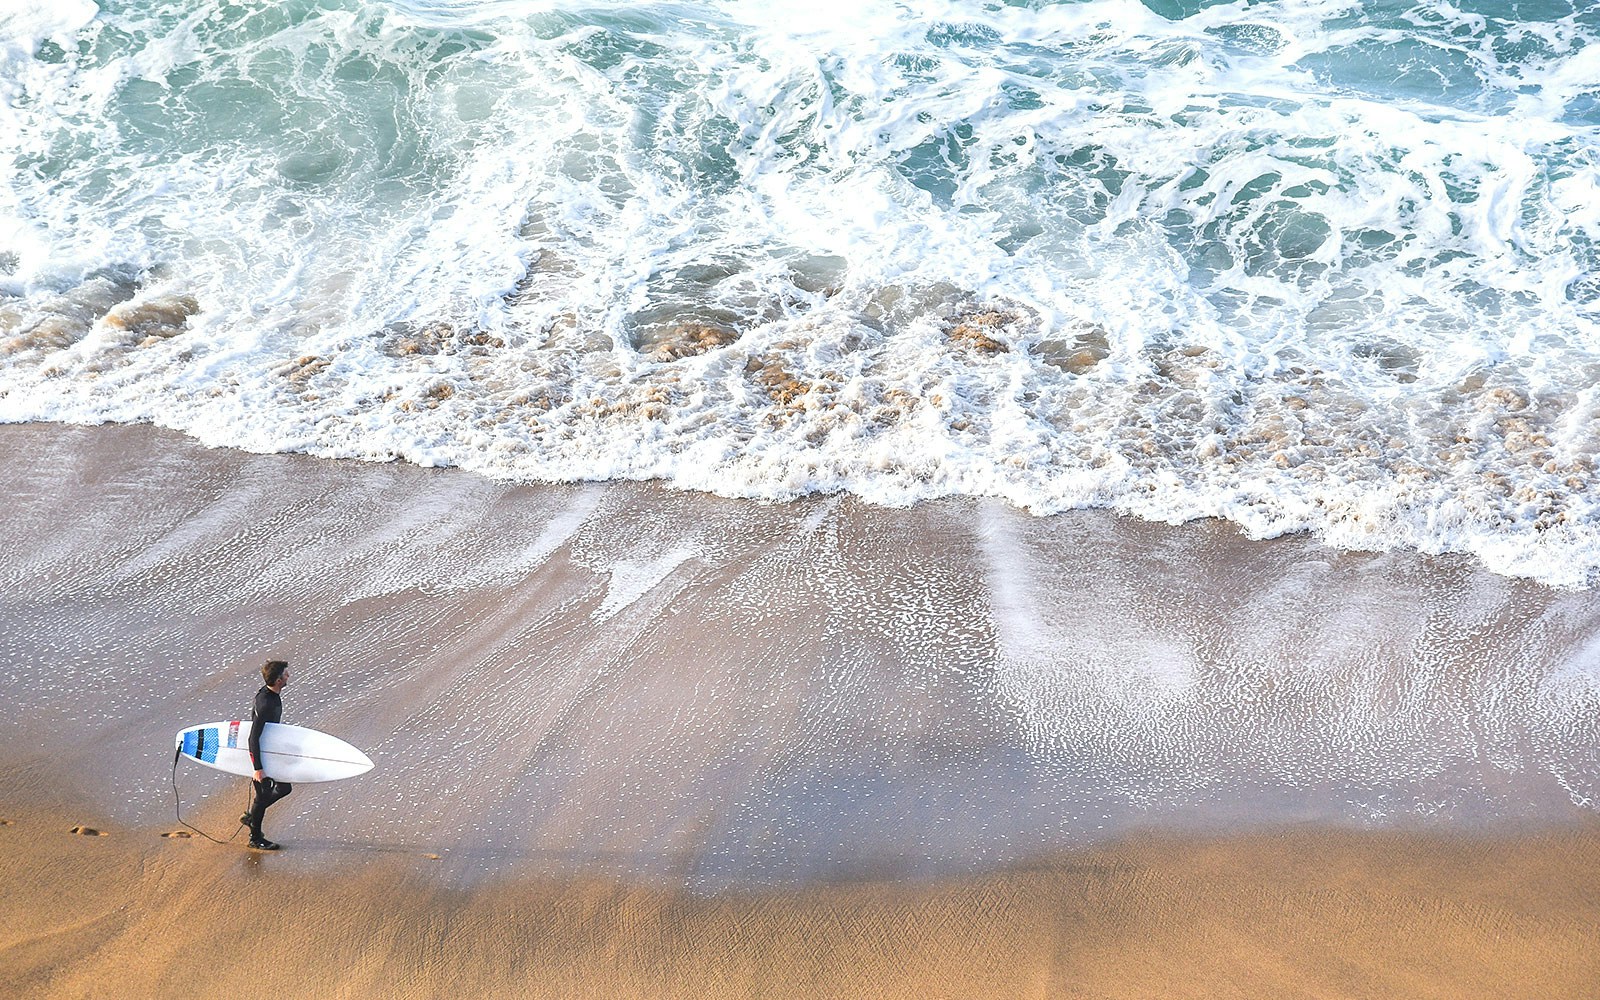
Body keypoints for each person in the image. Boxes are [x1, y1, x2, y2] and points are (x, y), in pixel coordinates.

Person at [243, 659, 293, 850]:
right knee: (263, 797)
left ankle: (252, 818)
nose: (289, 676)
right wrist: (258, 768)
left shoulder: (271, 695)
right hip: (262, 755)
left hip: (270, 751)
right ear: (279, 680)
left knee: (283, 788)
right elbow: (253, 737)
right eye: (286, 674)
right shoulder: (265, 703)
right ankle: (255, 838)